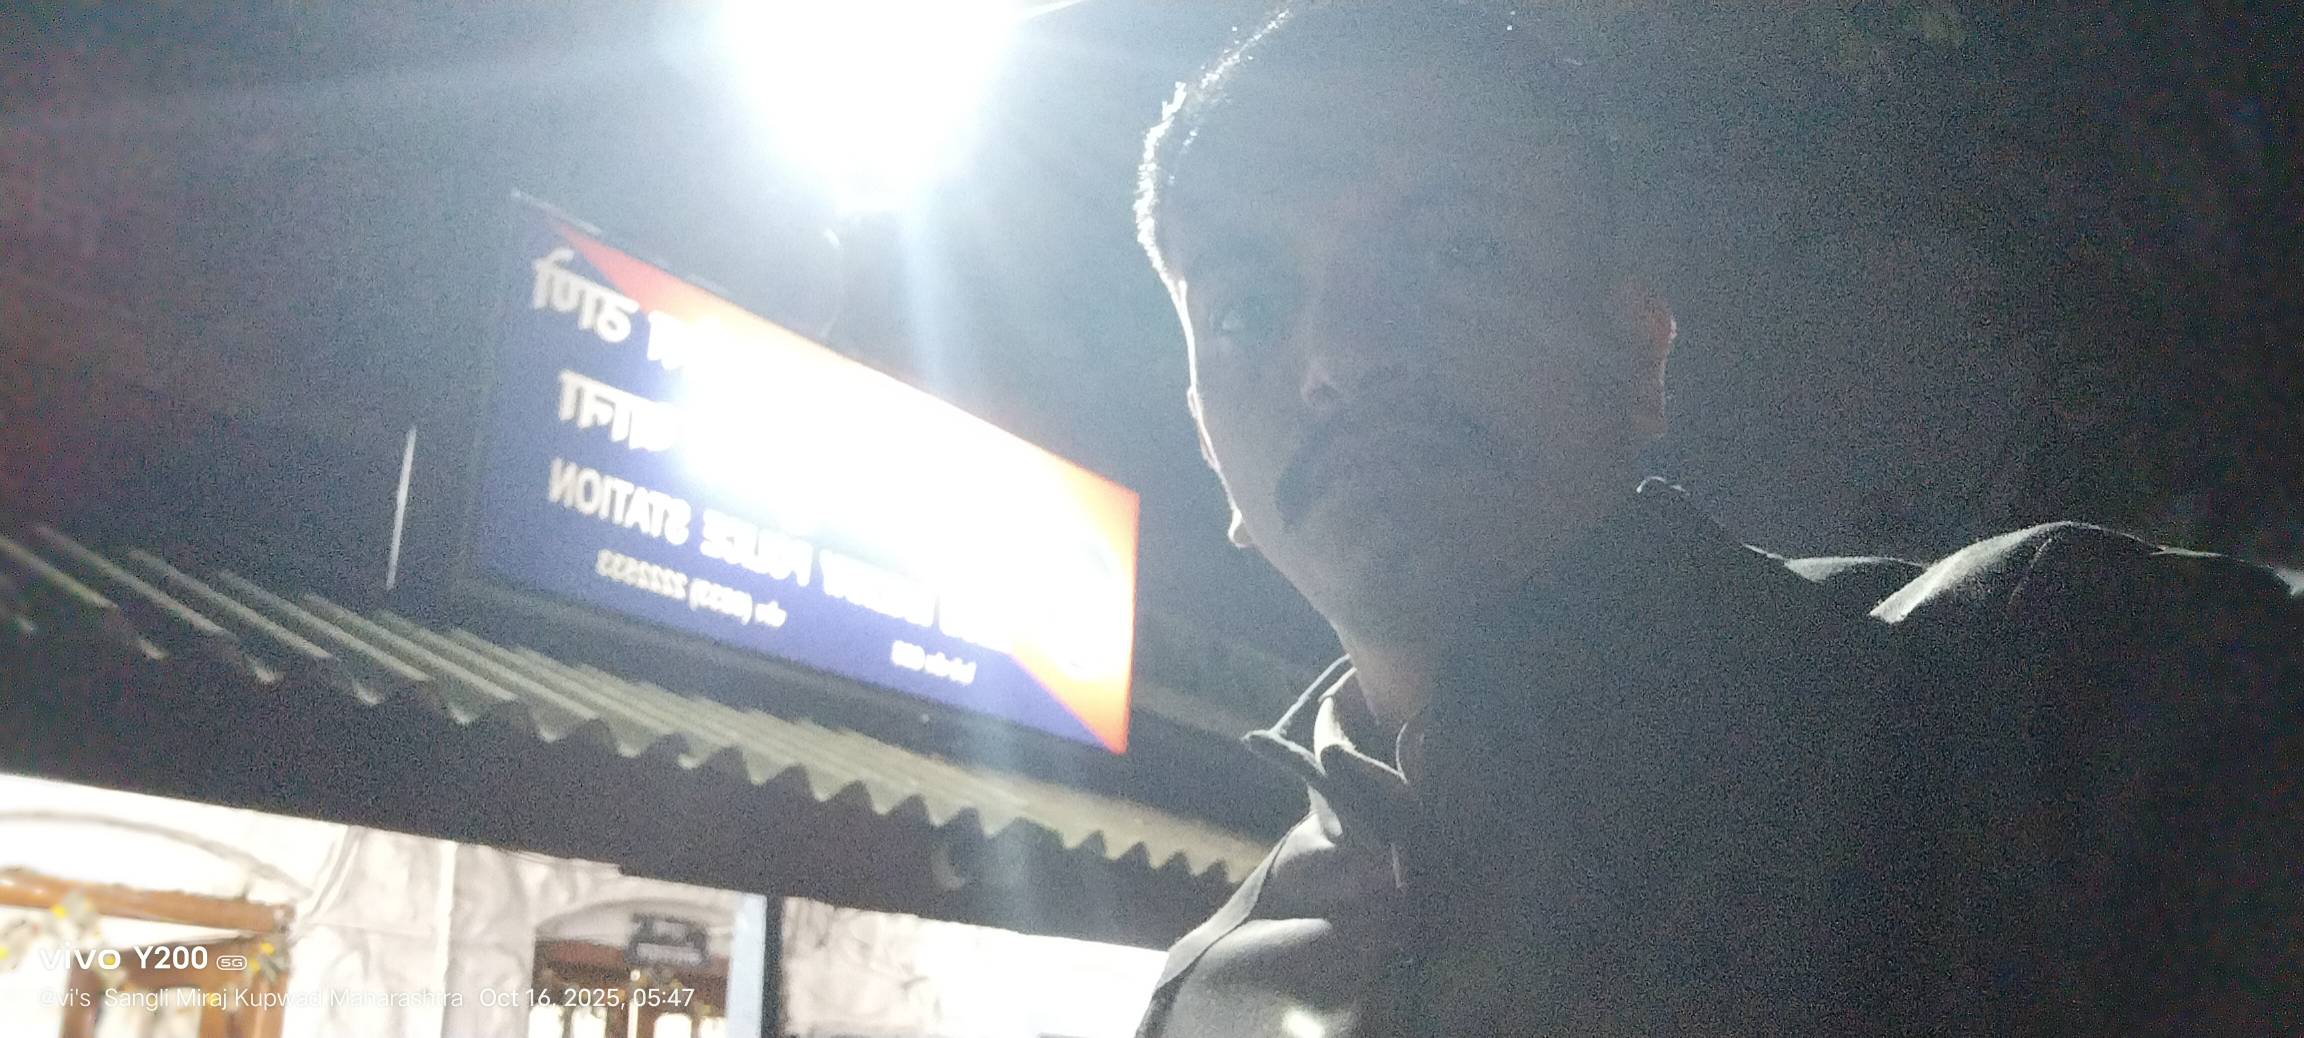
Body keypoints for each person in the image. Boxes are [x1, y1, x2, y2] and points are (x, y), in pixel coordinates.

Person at [1128, 5, 2304, 1035]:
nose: (1340, 355)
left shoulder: (2069, 709)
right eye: (1244, 311)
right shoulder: (1204, 1000)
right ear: (1206, 446)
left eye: (1455, 251)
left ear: (1638, 350)